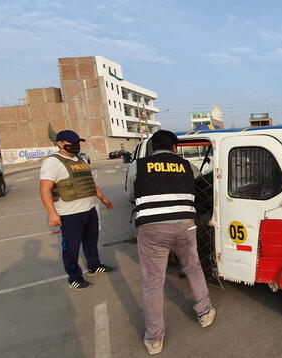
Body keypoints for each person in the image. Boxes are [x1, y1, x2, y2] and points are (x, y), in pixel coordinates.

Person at [126, 130, 215, 355]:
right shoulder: (187, 166)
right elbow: (199, 188)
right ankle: (204, 312)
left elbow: (130, 195)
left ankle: (154, 338)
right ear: (175, 147)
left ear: (153, 147)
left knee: (153, 282)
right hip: (185, 226)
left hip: (152, 229)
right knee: (193, 268)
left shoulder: (138, 165)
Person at [39, 130, 116, 290]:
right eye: (71, 143)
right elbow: (45, 189)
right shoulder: (52, 162)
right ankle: (74, 278)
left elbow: (90, 182)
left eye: (77, 143)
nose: (76, 146)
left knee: (91, 241)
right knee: (71, 248)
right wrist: (52, 213)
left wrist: (102, 198)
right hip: (69, 213)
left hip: (89, 209)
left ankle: (94, 266)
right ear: (60, 143)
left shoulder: (80, 159)